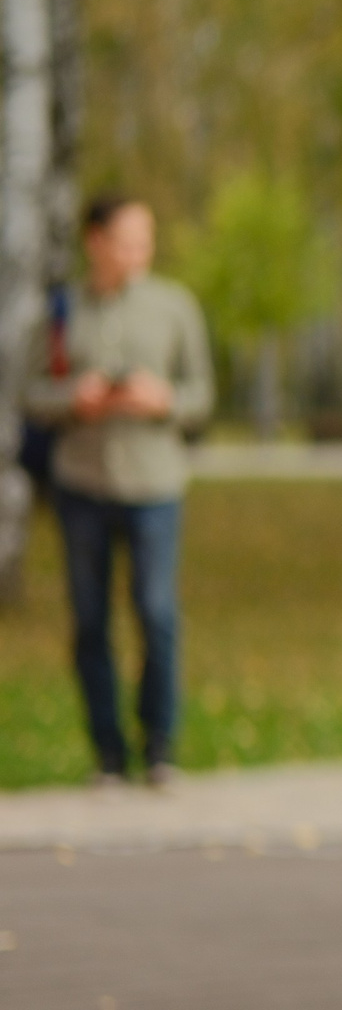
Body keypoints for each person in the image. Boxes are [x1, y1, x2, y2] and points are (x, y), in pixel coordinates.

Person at [22, 197, 214, 786]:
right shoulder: (61, 311)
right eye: (128, 240)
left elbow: (202, 396)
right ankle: (108, 755)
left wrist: (164, 400)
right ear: (95, 242)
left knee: (156, 613)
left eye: (146, 240)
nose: (140, 252)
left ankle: (159, 748)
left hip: (155, 484)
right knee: (89, 620)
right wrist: (73, 398)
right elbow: (30, 393)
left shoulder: (174, 306)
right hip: (82, 482)